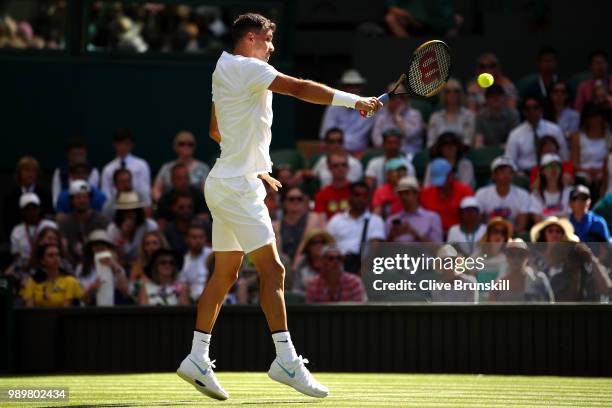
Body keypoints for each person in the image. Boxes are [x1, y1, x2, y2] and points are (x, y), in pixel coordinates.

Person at [177, 13, 381, 401]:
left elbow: (216, 131)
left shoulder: (223, 68)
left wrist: (256, 166)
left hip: (222, 182)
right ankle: (286, 361)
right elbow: (301, 89)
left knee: (226, 273)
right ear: (251, 38)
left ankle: (197, 357)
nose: (272, 48)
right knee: (273, 270)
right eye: (269, 41)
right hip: (236, 188)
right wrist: (355, 102)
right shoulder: (250, 68)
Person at [326, 182, 386, 273]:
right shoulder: (336, 220)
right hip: (338, 266)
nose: (361, 198)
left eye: (364, 195)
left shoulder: (375, 220)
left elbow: (375, 248)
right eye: (357, 195)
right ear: (350, 196)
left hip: (365, 268)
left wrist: (363, 271)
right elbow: (328, 245)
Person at [505, 96, 568, 174]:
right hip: (525, 174)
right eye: (528, 109)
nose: (532, 111)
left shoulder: (554, 130)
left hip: (552, 172)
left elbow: (564, 156)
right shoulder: (515, 134)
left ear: (541, 109)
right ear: (524, 112)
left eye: (535, 107)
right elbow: (510, 161)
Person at [319, 69, 375, 153]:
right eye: (349, 86)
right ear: (343, 88)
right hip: (335, 152)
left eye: (357, 86)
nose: (353, 89)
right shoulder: (333, 107)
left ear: (361, 88)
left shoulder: (370, 107)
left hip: (359, 154)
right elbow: (326, 134)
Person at [58, 180, 110, 263]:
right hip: (72, 264)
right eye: (78, 197)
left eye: (85, 197)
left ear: (90, 199)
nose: (82, 201)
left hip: (98, 262)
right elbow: (63, 249)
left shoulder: (102, 220)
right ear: (71, 200)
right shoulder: (64, 223)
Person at [475, 156, 531, 233]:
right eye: (502, 171)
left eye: (510, 172)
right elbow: (478, 223)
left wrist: (504, 234)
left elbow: (521, 226)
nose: (506, 175)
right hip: (488, 235)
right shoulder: (481, 194)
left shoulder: (523, 195)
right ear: (493, 175)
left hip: (512, 234)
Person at [3, 156, 54, 238]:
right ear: (19, 173)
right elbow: (7, 221)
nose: (30, 174)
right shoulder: (11, 197)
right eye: (27, 170)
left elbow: (49, 216)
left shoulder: (45, 194)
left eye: (33, 171)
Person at [488, 239, 554, 302]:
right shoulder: (497, 285)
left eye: (521, 254)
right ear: (506, 257)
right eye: (511, 254)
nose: (516, 258)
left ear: (527, 256)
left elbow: (550, 306)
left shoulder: (539, 280)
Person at [152, 130, 210, 202]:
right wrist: (163, 204)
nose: (186, 146)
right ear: (175, 146)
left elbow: (207, 192)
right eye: (181, 144)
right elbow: (156, 189)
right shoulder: (166, 167)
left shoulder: (203, 168)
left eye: (190, 144)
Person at [76, 230, 130, 306]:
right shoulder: (81, 268)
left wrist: (115, 267)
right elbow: (83, 299)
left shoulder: (117, 267)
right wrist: (93, 288)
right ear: (89, 249)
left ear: (109, 249)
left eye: (103, 245)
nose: (100, 247)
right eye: (96, 245)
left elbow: (125, 292)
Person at [274, 186, 325, 265]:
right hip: (284, 267)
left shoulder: (312, 218)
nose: (296, 201)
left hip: (305, 267)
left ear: (304, 202)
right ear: (284, 202)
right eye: (291, 199)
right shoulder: (277, 225)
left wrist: (295, 265)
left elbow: (305, 239)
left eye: (299, 199)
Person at [420, 158, 474, 232]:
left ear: (451, 175)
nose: (441, 185)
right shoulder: (425, 193)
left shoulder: (465, 192)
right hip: (433, 234)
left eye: (444, 180)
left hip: (458, 234)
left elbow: (471, 219)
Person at [100, 128, 151, 205]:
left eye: (126, 144)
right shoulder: (108, 169)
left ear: (132, 145)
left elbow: (145, 190)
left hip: (137, 204)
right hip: (115, 206)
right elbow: (105, 193)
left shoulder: (142, 165)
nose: (123, 147)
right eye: (120, 144)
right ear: (114, 145)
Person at [371, 83, 424, 154]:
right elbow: (376, 140)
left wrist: (397, 117)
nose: (397, 100)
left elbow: (409, 135)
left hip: (410, 154)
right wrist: (391, 147)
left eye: (401, 97)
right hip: (386, 153)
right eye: (393, 97)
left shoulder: (415, 115)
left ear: (406, 99)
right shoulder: (381, 116)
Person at [107, 191, 158, 265]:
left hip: (146, 265)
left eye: (134, 210)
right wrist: (124, 234)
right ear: (120, 213)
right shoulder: (113, 229)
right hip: (120, 267)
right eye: (126, 211)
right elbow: (113, 255)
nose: (131, 214)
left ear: (139, 211)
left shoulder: (150, 225)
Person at [386, 176, 442, 243]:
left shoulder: (432, 218)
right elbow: (384, 250)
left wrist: (414, 233)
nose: (403, 197)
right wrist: (391, 236)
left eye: (407, 193)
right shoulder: (391, 220)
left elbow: (437, 249)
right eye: (400, 193)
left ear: (416, 194)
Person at [9, 193, 57, 269]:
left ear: (39, 209)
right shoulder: (16, 231)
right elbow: (16, 258)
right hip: (26, 268)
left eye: (34, 208)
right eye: (27, 209)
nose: (31, 212)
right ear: (22, 211)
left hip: (49, 266)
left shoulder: (50, 225)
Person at [570, 105, 610, 198]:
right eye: (592, 117)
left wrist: (601, 171)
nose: (595, 120)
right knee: (584, 180)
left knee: (601, 180)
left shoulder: (609, 138)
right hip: (583, 171)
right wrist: (588, 171)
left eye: (598, 117)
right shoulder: (578, 137)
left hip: (603, 171)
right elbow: (574, 162)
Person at [51, 137, 100, 207]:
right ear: (68, 155)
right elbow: (56, 200)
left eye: (81, 154)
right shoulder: (59, 172)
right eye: (75, 154)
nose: (78, 158)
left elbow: (93, 196)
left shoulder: (93, 171)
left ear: (85, 154)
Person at [427, 79, 475, 147]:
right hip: (439, 155)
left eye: (456, 91)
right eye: (448, 91)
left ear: (460, 94)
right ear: (443, 95)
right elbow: (431, 143)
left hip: (463, 153)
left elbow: (468, 141)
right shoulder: (435, 117)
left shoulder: (469, 116)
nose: (452, 94)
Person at [529, 154, 572, 221]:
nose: (554, 169)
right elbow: (537, 219)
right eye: (550, 166)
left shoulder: (570, 192)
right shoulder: (536, 195)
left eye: (557, 166)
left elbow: (569, 217)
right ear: (542, 171)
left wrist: (547, 218)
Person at [291, 229, 335, 295]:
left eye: (322, 242)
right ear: (308, 247)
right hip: (306, 302)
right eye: (314, 243)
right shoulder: (301, 264)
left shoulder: (334, 260)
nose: (319, 245)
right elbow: (296, 290)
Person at [129, 230, 170, 298]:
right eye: (147, 244)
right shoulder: (138, 265)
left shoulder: (170, 264)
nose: (151, 247)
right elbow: (131, 289)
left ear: (161, 245)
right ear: (144, 247)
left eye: (155, 243)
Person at [313, 150, 352, 221]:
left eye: (344, 165)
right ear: (329, 168)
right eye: (335, 165)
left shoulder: (357, 192)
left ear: (348, 167)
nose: (340, 168)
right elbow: (320, 222)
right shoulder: (321, 195)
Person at [179, 223, 213, 303]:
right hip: (193, 302)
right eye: (194, 237)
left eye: (201, 237)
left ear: (205, 238)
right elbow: (183, 286)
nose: (198, 240)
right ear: (187, 239)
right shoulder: (184, 261)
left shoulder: (214, 255)